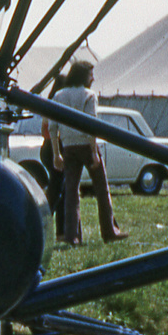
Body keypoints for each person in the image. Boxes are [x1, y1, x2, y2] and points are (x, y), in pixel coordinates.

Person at [52, 60, 130, 246]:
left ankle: (72, 237)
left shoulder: (59, 95)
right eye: (90, 74)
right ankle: (109, 231)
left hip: (68, 148)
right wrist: (94, 152)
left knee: (71, 194)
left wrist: (56, 154)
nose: (93, 78)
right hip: (87, 146)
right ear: (83, 76)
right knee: (102, 190)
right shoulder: (89, 95)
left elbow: (53, 127)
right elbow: (91, 124)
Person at [40, 74, 67, 243]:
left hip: (46, 148)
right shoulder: (57, 104)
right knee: (56, 191)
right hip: (54, 148)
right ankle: (42, 225)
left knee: (61, 191)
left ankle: (61, 232)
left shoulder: (48, 103)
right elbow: (47, 130)